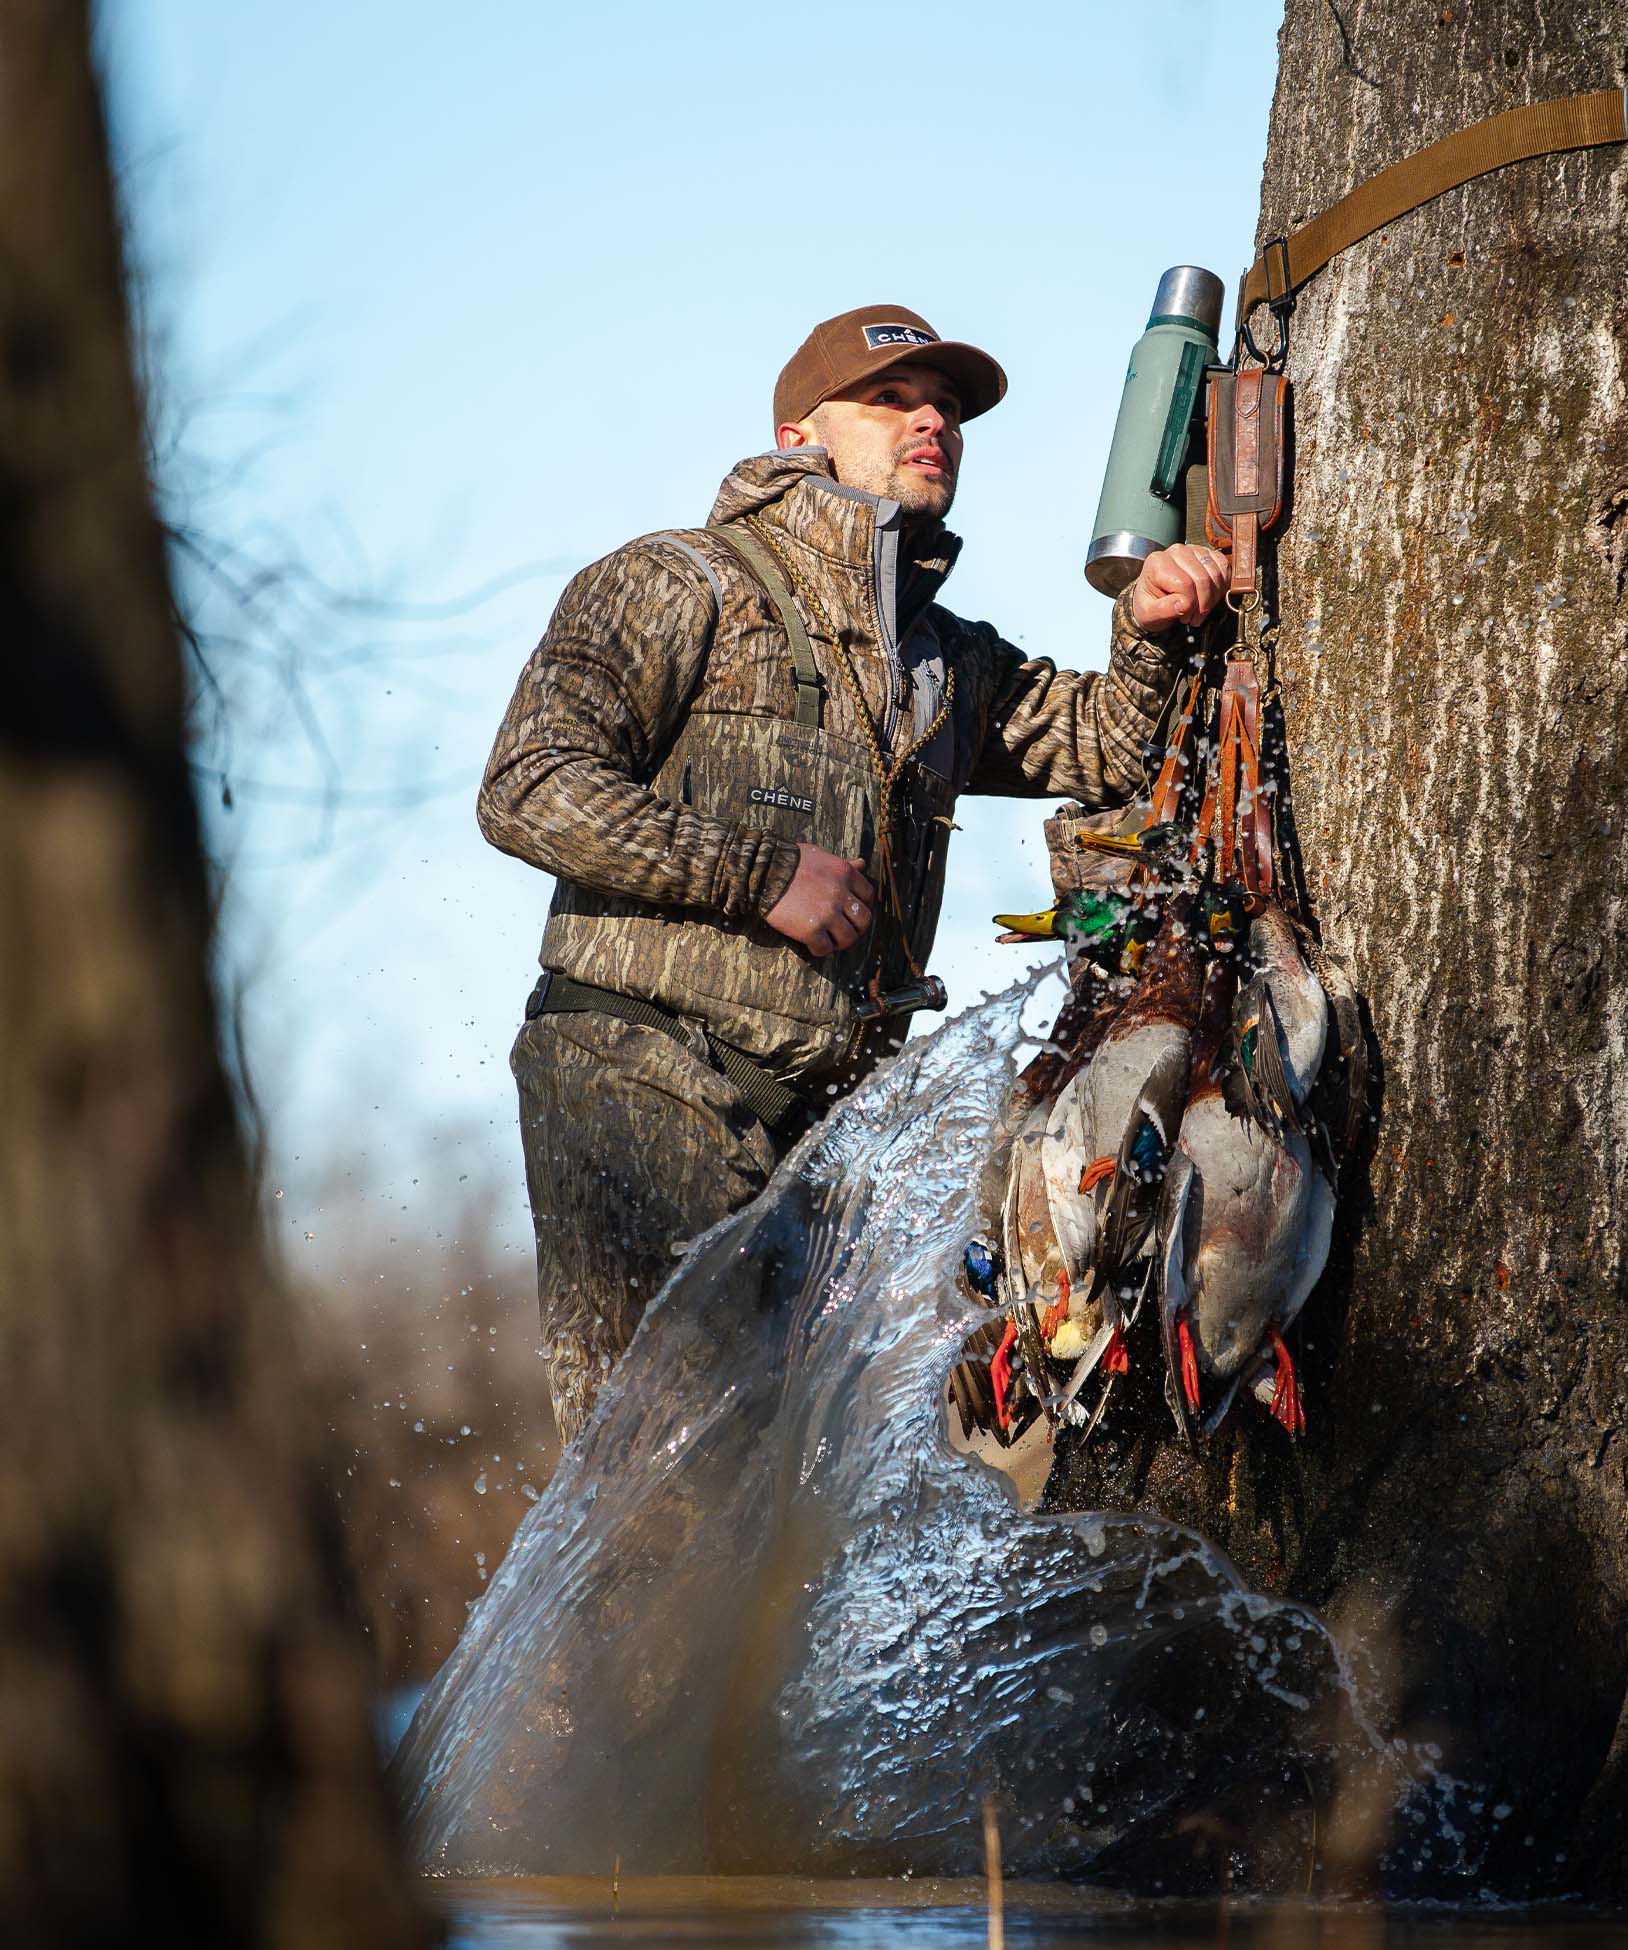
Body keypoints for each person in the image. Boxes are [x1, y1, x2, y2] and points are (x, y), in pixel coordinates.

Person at [479, 303, 1227, 1446]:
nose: (932, 420)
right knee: (670, 1481)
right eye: (891, 399)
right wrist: (756, 871)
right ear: (796, 436)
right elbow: (527, 782)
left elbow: (1104, 746)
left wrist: (1148, 624)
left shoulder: (941, 655)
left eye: (948, 408)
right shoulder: (678, 582)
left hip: (823, 1135)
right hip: (637, 1080)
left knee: (791, 1513)